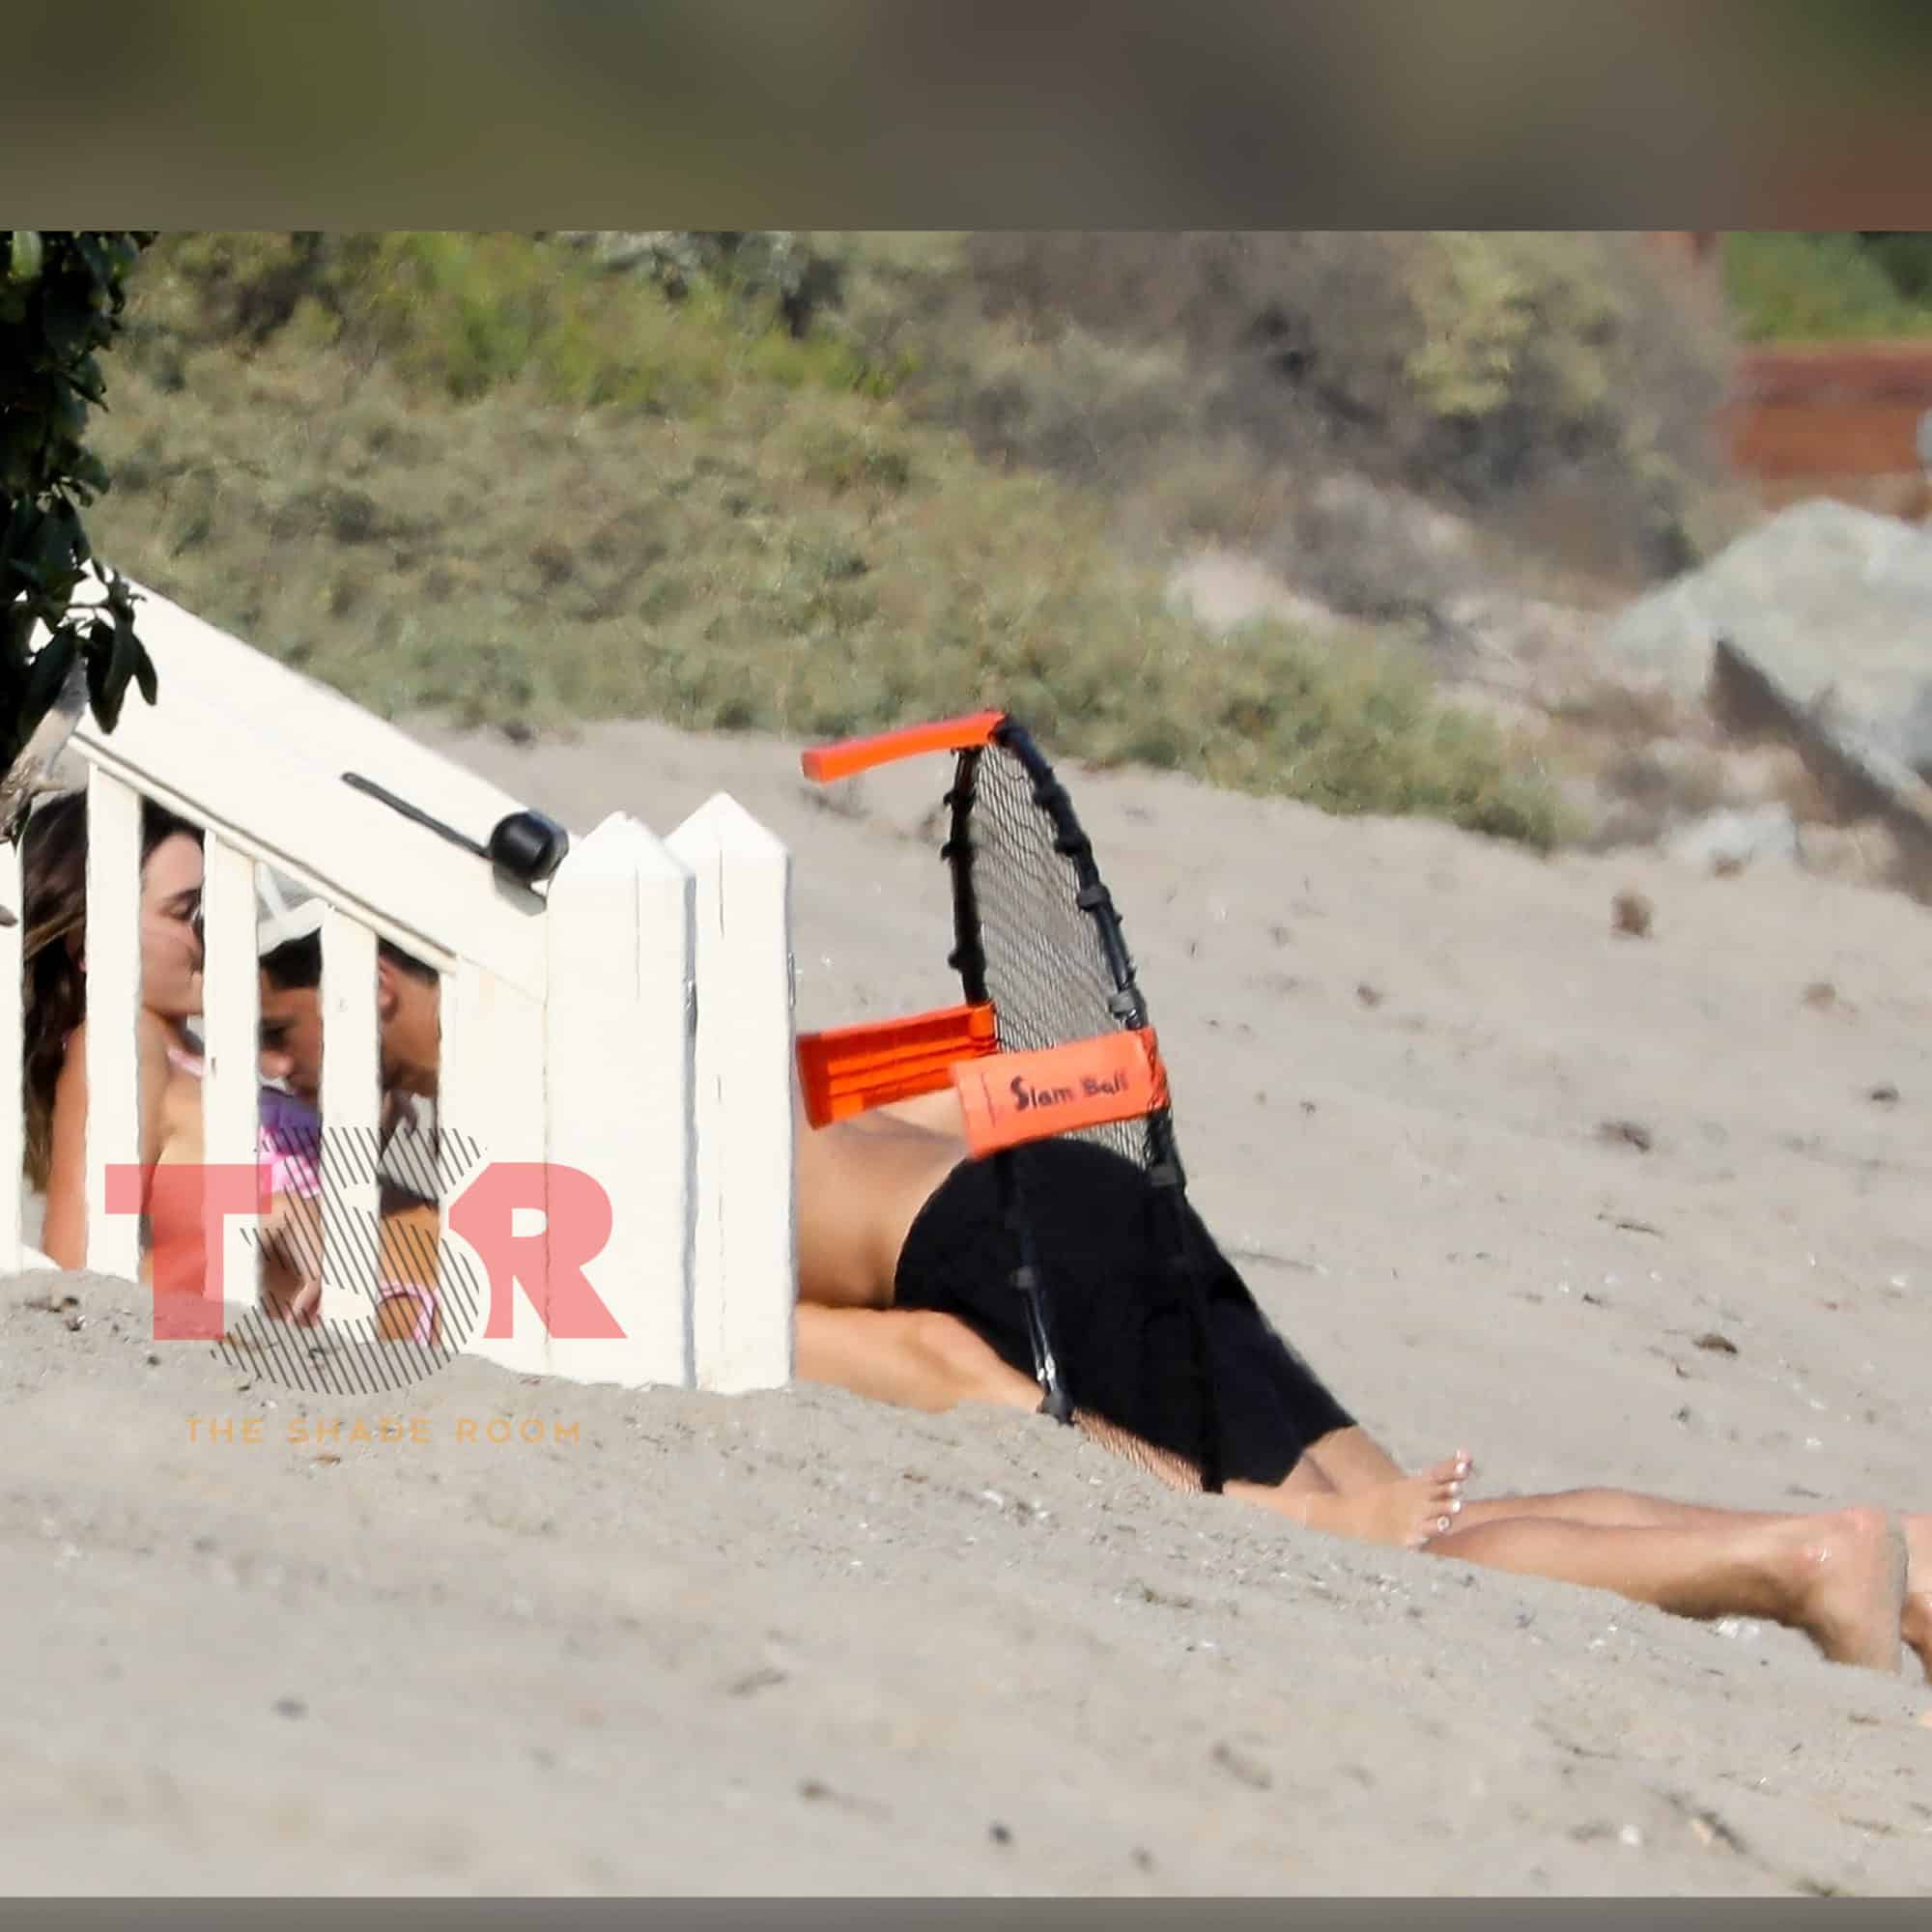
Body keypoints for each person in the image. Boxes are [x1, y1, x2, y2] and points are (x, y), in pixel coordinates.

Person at [794, 1088, 1930, 1681]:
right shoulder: (735, 1055)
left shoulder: (691, 1238)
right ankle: (1906, 1560)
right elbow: (1008, 1091)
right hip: (1082, 1190)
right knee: (1435, 1519)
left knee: (1391, 1555)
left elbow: (939, 1364)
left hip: (1014, 1253)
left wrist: (1278, 1515)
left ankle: (1800, 1562)